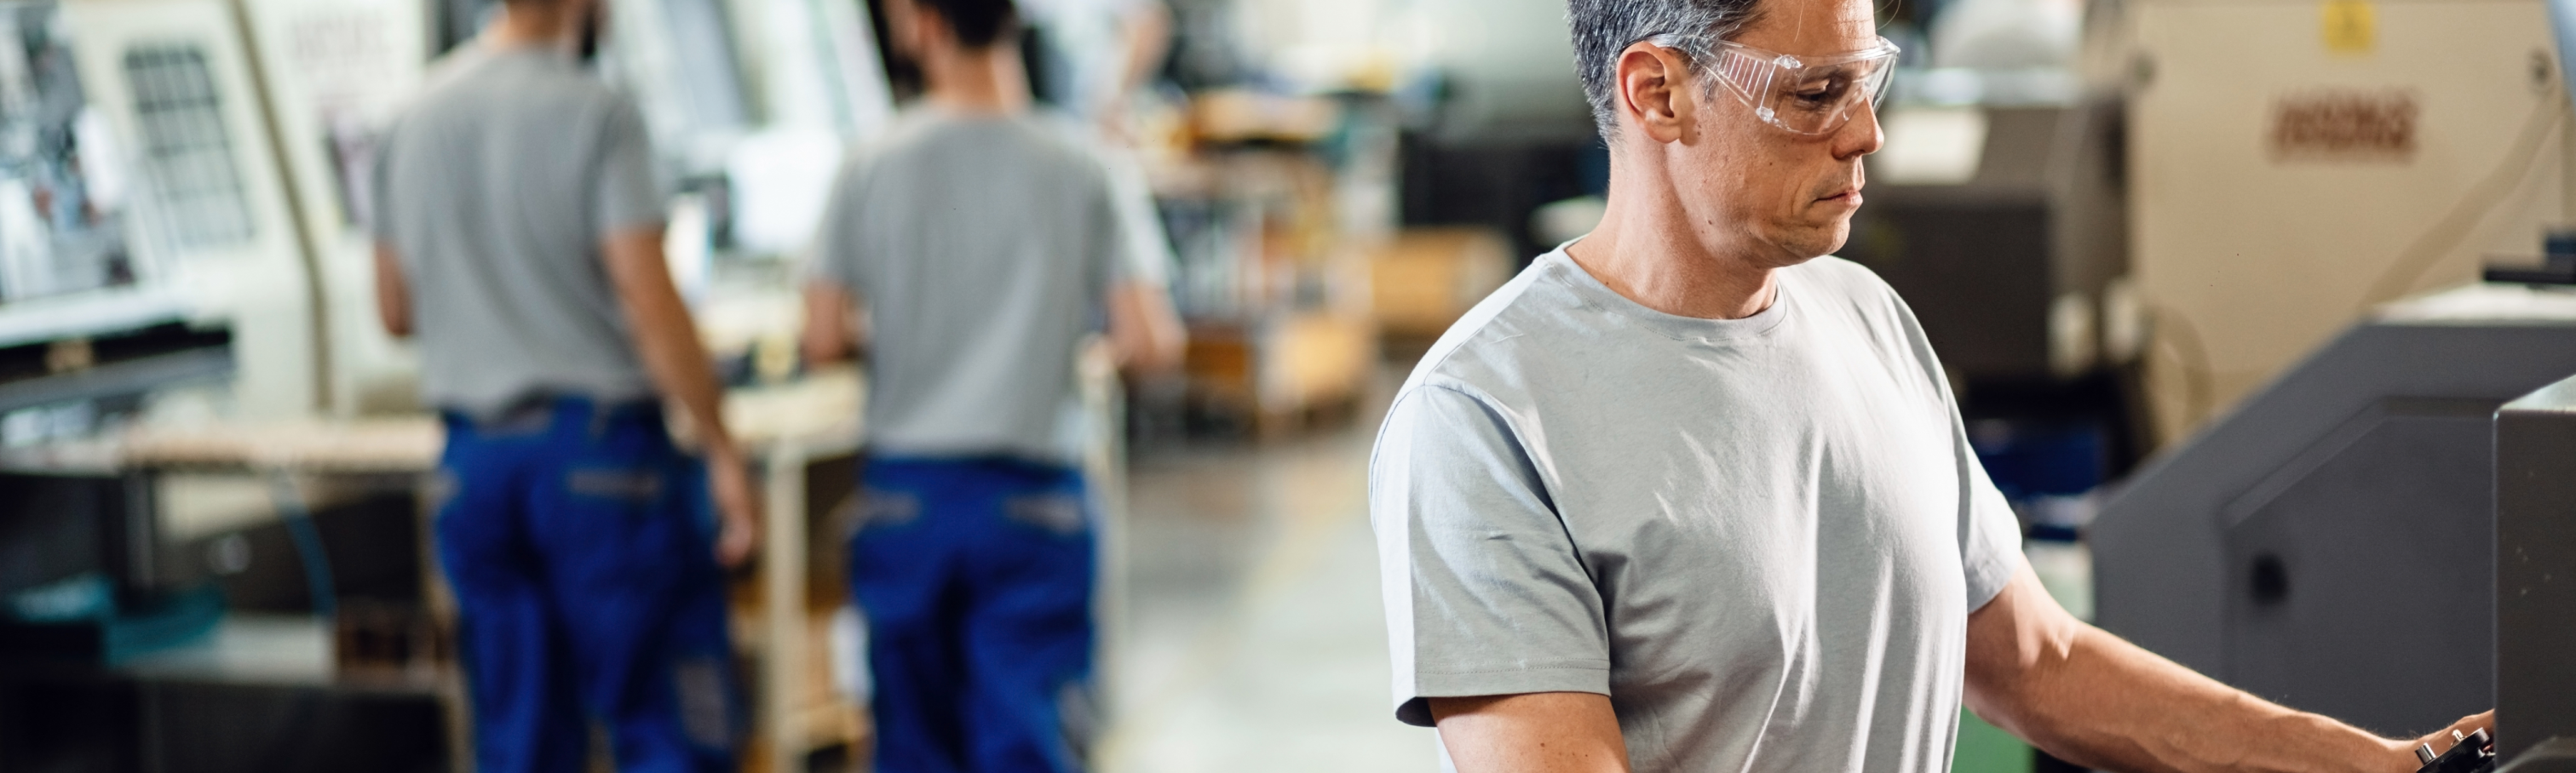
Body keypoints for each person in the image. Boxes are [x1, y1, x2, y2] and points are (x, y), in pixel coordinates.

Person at [1365, 0, 2493, 770]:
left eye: (1867, 81)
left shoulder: (1867, 322)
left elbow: (2033, 659)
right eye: (1813, 96)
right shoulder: (1487, 418)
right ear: (1659, 94)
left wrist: (2368, 764)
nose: (1868, 135)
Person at [370, 0, 762, 770]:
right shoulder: (599, 113)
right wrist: (719, 445)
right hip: (600, 462)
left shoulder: (410, 119)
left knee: (519, 735)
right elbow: (648, 300)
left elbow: (394, 310)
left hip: (474, 464)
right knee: (665, 722)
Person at [799, 0, 1186, 769]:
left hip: (908, 502)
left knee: (912, 746)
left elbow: (821, 339)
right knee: (1030, 741)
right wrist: (1060, 343)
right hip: (1035, 500)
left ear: (919, 23)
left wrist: (908, 330)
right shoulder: (1082, 164)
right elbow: (1152, 342)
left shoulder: (869, 161)